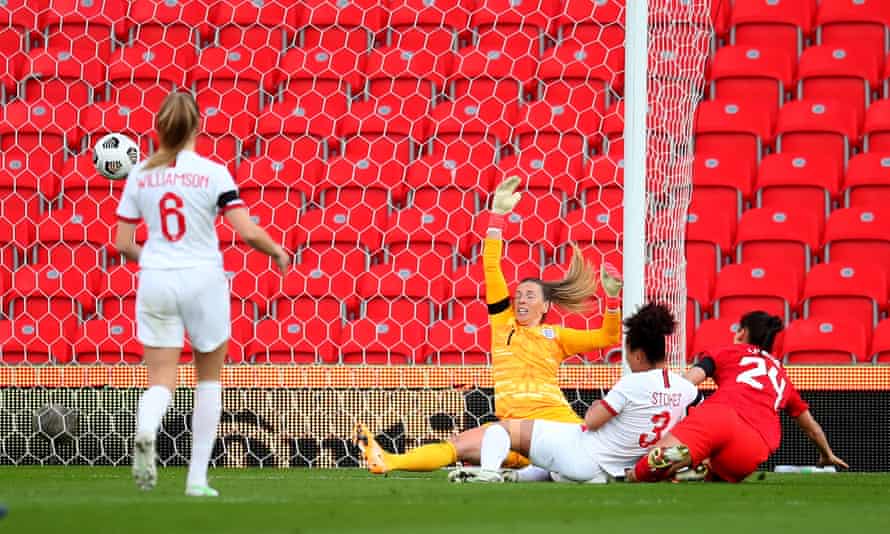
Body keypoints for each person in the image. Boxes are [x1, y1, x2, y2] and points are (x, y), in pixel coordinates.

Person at [355, 176, 624, 475]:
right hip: (511, 432)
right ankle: (389, 460)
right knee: (459, 444)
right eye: (518, 294)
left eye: (529, 295)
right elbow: (491, 265)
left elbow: (608, 337)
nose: (521, 299)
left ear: (546, 305)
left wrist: (612, 301)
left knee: (583, 460)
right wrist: (497, 218)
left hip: (556, 425)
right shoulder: (503, 324)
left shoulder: (557, 336)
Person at [115, 92, 290, 497]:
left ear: (158, 129)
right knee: (208, 377)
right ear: (197, 128)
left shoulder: (140, 174)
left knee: (160, 378)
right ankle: (196, 479)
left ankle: (147, 427)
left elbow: (124, 243)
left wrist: (157, 257)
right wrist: (277, 251)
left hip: (156, 278)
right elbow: (246, 231)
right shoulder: (213, 173)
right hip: (203, 279)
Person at [450, 302, 699, 483]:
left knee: (502, 429)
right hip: (615, 469)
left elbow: (592, 422)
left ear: (639, 355)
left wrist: (596, 408)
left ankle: (489, 474)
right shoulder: (685, 389)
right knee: (554, 462)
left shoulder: (632, 384)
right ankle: (516, 478)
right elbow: (694, 391)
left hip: (584, 454)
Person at [629, 311, 849, 483]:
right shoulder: (781, 375)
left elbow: (686, 384)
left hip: (719, 417)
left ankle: (673, 458)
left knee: (649, 466)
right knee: (716, 464)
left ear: (741, 333)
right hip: (755, 446)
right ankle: (702, 468)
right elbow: (812, 428)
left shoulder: (728, 351)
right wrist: (827, 454)